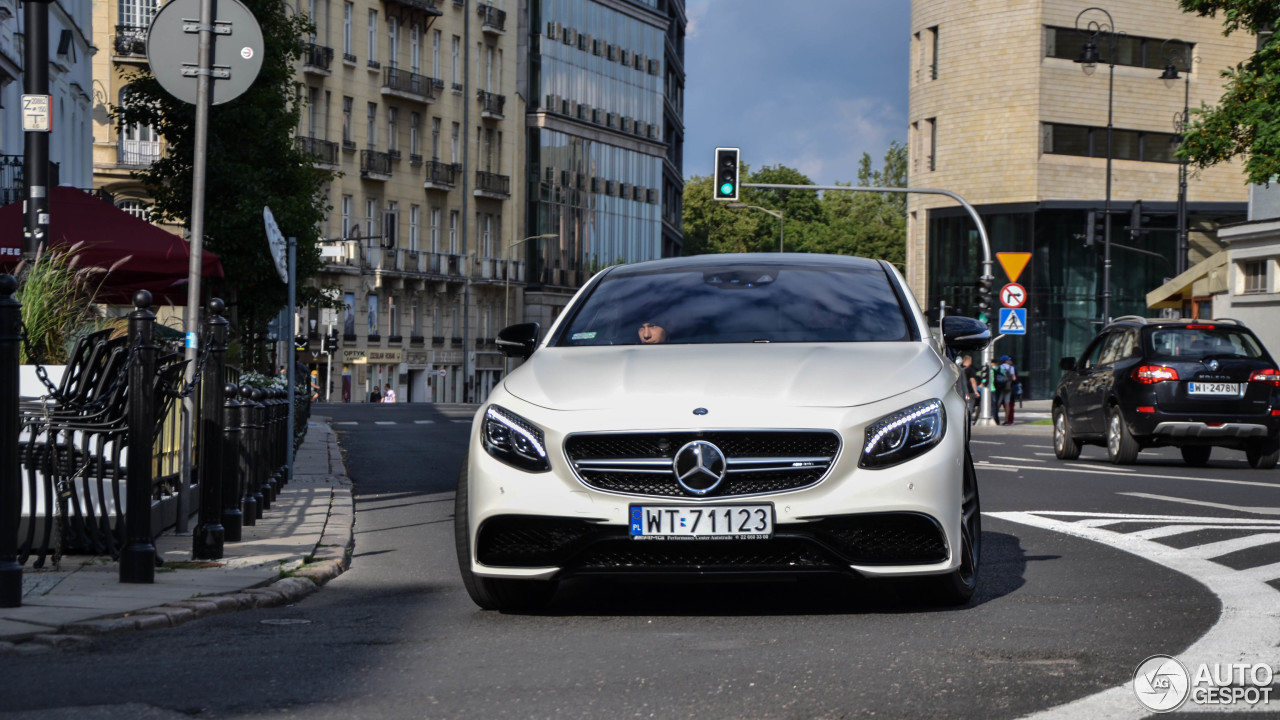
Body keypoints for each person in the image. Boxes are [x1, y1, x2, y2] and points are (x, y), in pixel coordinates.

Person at [996, 354, 1018, 425]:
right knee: (1007, 403)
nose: (1009, 360)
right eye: (1008, 359)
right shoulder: (1011, 368)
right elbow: (1014, 378)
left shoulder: (999, 367)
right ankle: (1006, 420)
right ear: (1006, 360)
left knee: (998, 402)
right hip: (1008, 387)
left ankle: (995, 417)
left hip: (1000, 387)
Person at [961, 354, 979, 424]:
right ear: (969, 361)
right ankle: (968, 421)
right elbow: (973, 381)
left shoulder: (958, 368)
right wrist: (976, 391)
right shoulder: (970, 370)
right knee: (970, 406)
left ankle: (962, 420)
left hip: (961, 391)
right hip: (969, 391)